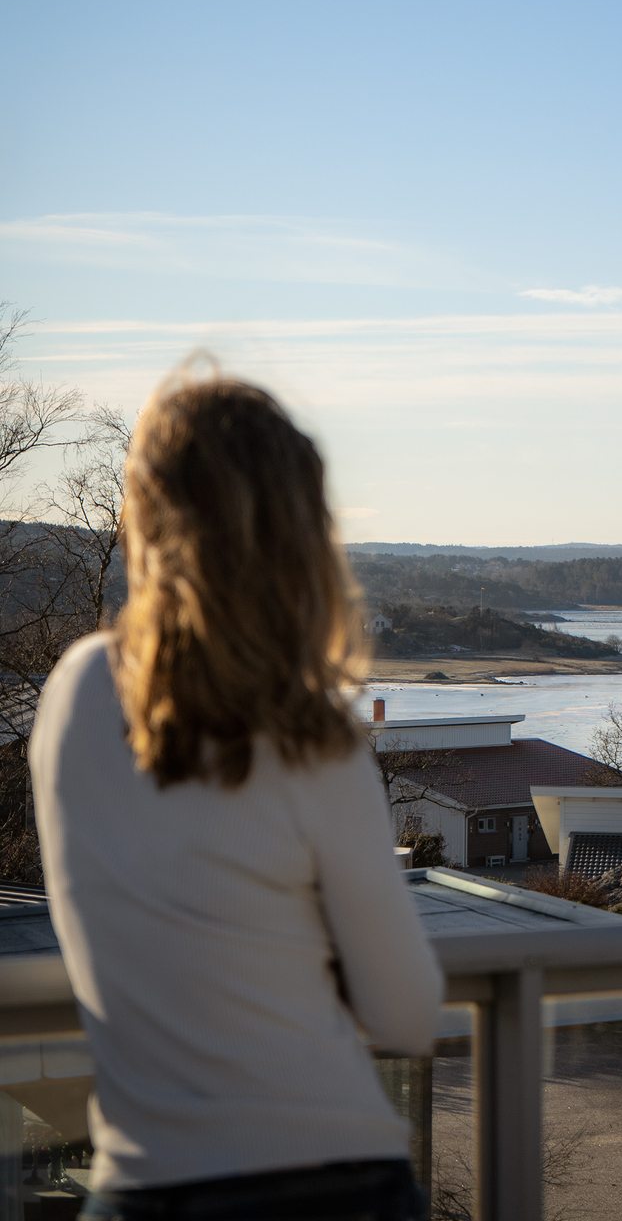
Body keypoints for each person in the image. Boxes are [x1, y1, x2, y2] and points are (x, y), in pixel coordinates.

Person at [29, 376, 443, 1220]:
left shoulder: (73, 693)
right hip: (334, 1182)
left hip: (146, 1186)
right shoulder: (306, 730)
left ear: (146, 518)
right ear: (297, 541)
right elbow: (405, 1014)